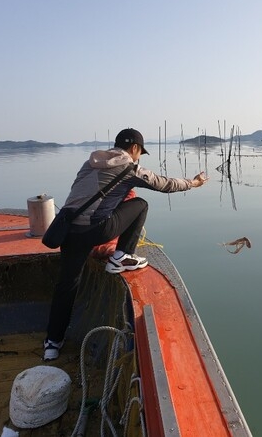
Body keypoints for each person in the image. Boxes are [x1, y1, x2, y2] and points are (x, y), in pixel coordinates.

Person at [43, 128, 208, 361]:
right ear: (134, 149)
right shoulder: (129, 168)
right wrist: (193, 183)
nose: (139, 157)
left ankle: (52, 343)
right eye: (140, 152)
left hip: (68, 230)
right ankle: (121, 256)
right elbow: (164, 184)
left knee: (66, 286)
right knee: (140, 204)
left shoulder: (88, 164)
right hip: (97, 230)